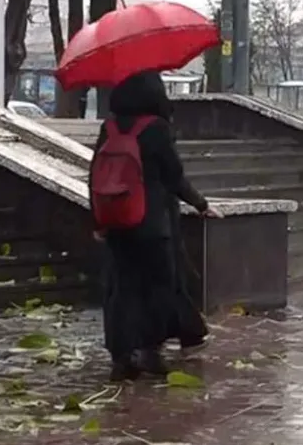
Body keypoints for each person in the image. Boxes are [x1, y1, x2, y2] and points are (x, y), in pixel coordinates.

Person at [89, 70, 220, 382]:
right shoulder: (156, 129)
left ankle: (122, 356)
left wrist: (99, 219)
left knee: (122, 290)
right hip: (152, 224)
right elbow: (174, 177)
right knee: (159, 287)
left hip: (117, 222)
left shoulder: (109, 127)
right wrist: (202, 204)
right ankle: (147, 350)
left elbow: (95, 174)